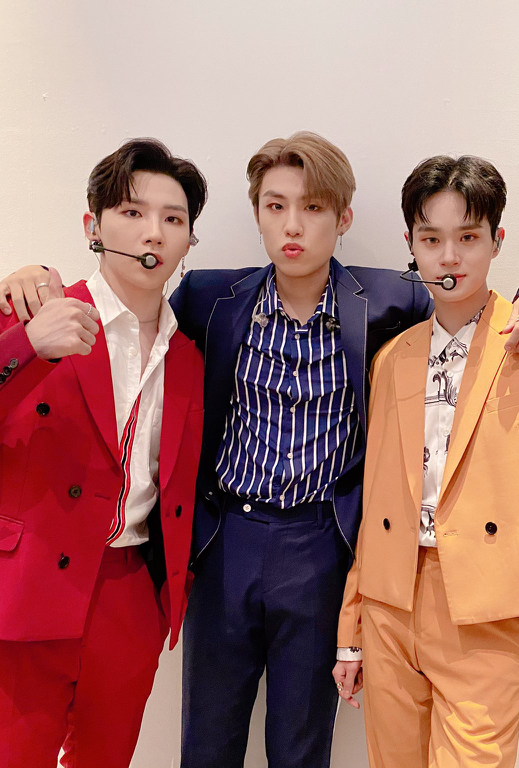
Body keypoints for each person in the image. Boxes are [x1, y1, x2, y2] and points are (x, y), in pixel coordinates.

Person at [1, 132, 519, 768]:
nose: (293, 225)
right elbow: (124, 298)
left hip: (319, 546)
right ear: (257, 214)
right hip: (225, 541)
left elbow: (465, 299)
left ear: (344, 218)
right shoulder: (208, 299)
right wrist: (35, 276)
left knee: (302, 743)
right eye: (276, 206)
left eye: (313, 207)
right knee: (207, 740)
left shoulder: (390, 301)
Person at [332, 154, 519, 768]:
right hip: (392, 601)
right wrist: (353, 626)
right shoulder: (393, 357)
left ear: (497, 241)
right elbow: (378, 498)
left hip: (491, 606)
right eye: (431, 239)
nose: (449, 257)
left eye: (468, 238)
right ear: (411, 244)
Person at [0, 138, 207, 768]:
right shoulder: (32, 311)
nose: (154, 232)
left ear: (189, 240)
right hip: (28, 584)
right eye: (132, 212)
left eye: (173, 219)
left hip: (129, 594)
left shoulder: (189, 355)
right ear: (93, 227)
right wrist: (27, 345)